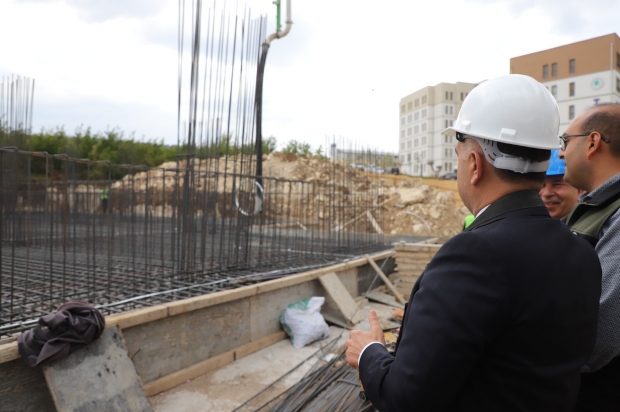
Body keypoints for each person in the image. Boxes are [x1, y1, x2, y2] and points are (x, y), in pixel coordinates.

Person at [345, 74, 602, 411]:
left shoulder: (476, 255)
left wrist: (369, 353)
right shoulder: (581, 251)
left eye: (458, 156)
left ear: (474, 164)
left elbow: (405, 398)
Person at [559, 102, 620, 411]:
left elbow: (602, 328)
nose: (561, 153)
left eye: (566, 141)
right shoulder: (596, 207)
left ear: (593, 142)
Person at [539, 150, 583, 221]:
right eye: (542, 185)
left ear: (580, 190)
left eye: (557, 185)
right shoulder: (528, 224)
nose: (546, 193)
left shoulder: (592, 224)